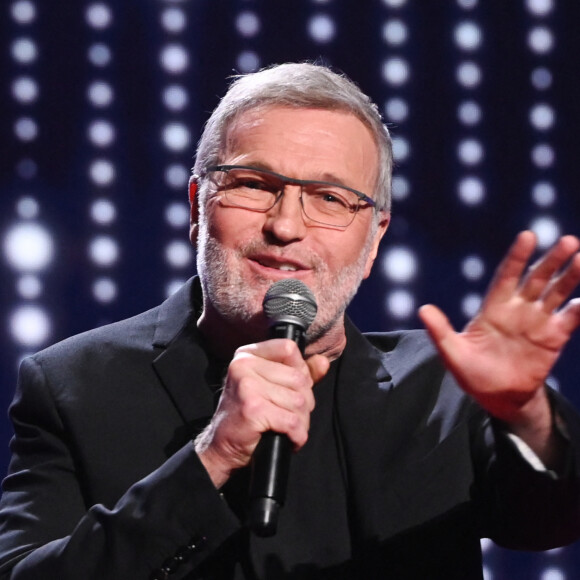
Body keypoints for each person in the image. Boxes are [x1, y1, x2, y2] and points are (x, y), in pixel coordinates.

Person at [0, 62, 580, 580]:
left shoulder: (441, 387)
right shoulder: (73, 384)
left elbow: (548, 525)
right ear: (199, 208)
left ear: (374, 238)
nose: (286, 226)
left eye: (330, 198)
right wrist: (212, 456)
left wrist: (525, 415)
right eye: (254, 185)